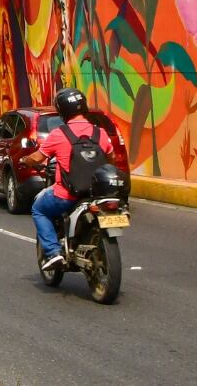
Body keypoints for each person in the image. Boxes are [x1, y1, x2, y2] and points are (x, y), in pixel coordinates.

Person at [23, 87, 115, 272]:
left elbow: (38, 158)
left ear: (62, 111)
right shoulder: (100, 133)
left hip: (67, 195)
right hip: (96, 194)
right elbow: (110, 158)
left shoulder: (59, 134)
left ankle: (53, 252)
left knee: (39, 209)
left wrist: (25, 160)